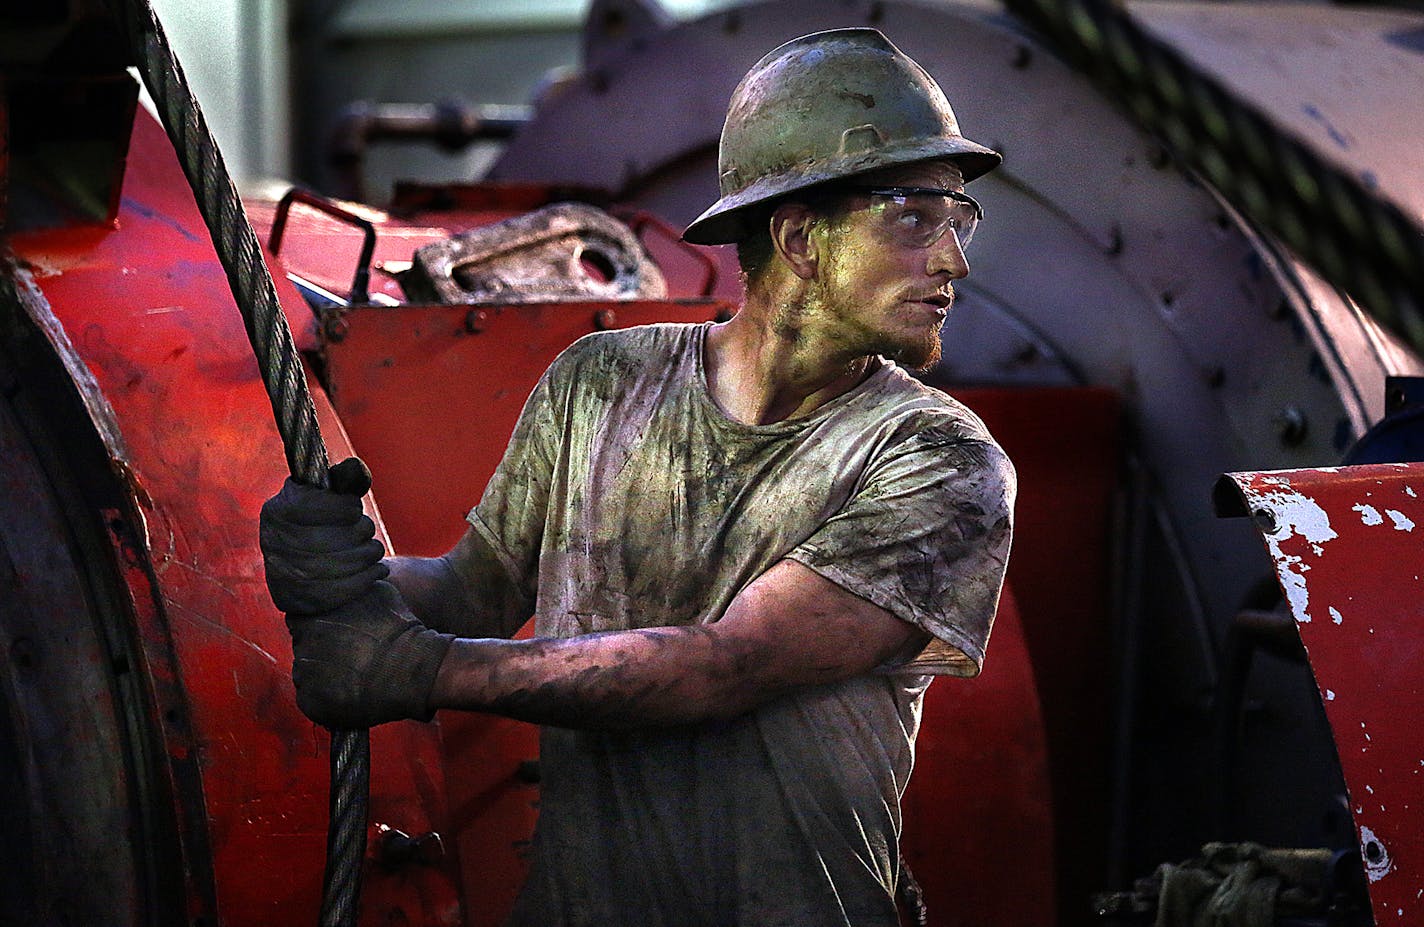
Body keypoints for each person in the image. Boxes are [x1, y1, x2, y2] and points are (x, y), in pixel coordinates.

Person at [261, 28, 1016, 927]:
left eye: (958, 219)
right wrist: (347, 583)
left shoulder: (940, 460)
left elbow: (724, 666)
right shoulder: (601, 381)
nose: (953, 261)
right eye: (915, 218)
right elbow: (471, 592)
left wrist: (415, 669)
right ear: (800, 237)